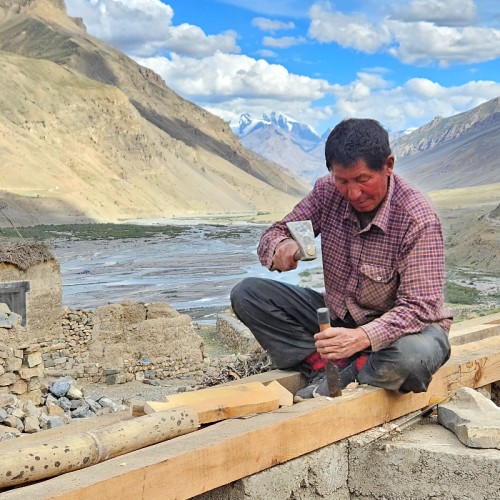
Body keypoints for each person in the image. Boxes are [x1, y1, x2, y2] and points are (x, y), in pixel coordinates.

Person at [230, 118, 452, 401]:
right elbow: (275, 232)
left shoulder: (416, 218)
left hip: (404, 332)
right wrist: (280, 246)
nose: (353, 193)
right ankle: (322, 367)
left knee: (413, 359)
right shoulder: (327, 192)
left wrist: (361, 338)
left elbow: (420, 308)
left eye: (362, 180)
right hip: (339, 319)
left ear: (388, 166)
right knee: (249, 294)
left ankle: (352, 371)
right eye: (342, 180)